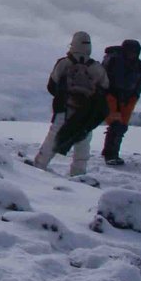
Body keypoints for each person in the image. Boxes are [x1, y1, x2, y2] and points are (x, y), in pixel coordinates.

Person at [34, 31, 110, 176]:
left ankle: (40, 166)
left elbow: (52, 86)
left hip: (64, 108)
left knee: (54, 136)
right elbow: (105, 87)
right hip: (86, 111)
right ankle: (78, 173)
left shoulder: (64, 62)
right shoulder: (96, 67)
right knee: (83, 139)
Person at [101, 39, 141, 166]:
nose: (133, 54)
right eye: (130, 51)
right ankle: (110, 155)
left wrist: (135, 96)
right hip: (111, 96)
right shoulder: (113, 60)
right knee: (115, 124)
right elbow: (104, 78)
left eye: (135, 52)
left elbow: (139, 83)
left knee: (122, 126)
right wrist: (108, 95)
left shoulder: (139, 65)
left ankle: (111, 152)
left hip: (128, 99)